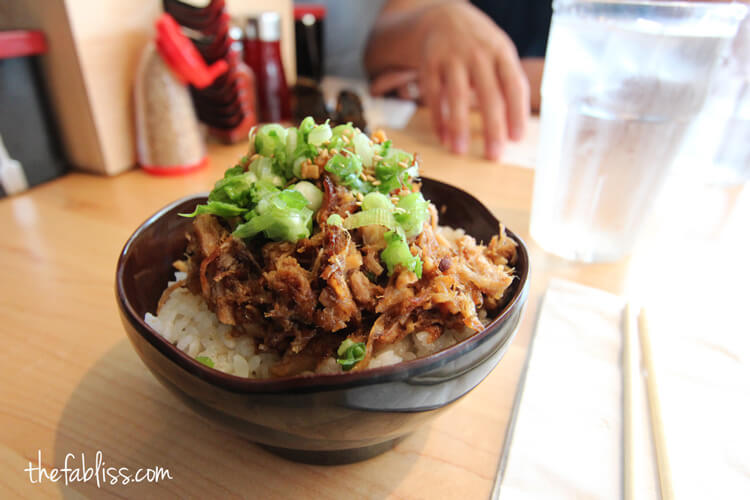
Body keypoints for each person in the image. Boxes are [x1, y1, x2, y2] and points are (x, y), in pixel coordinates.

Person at [365, 0, 551, 161]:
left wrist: (483, 80)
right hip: (433, 138)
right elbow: (378, 48)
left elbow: (578, 77)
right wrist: (433, 21)